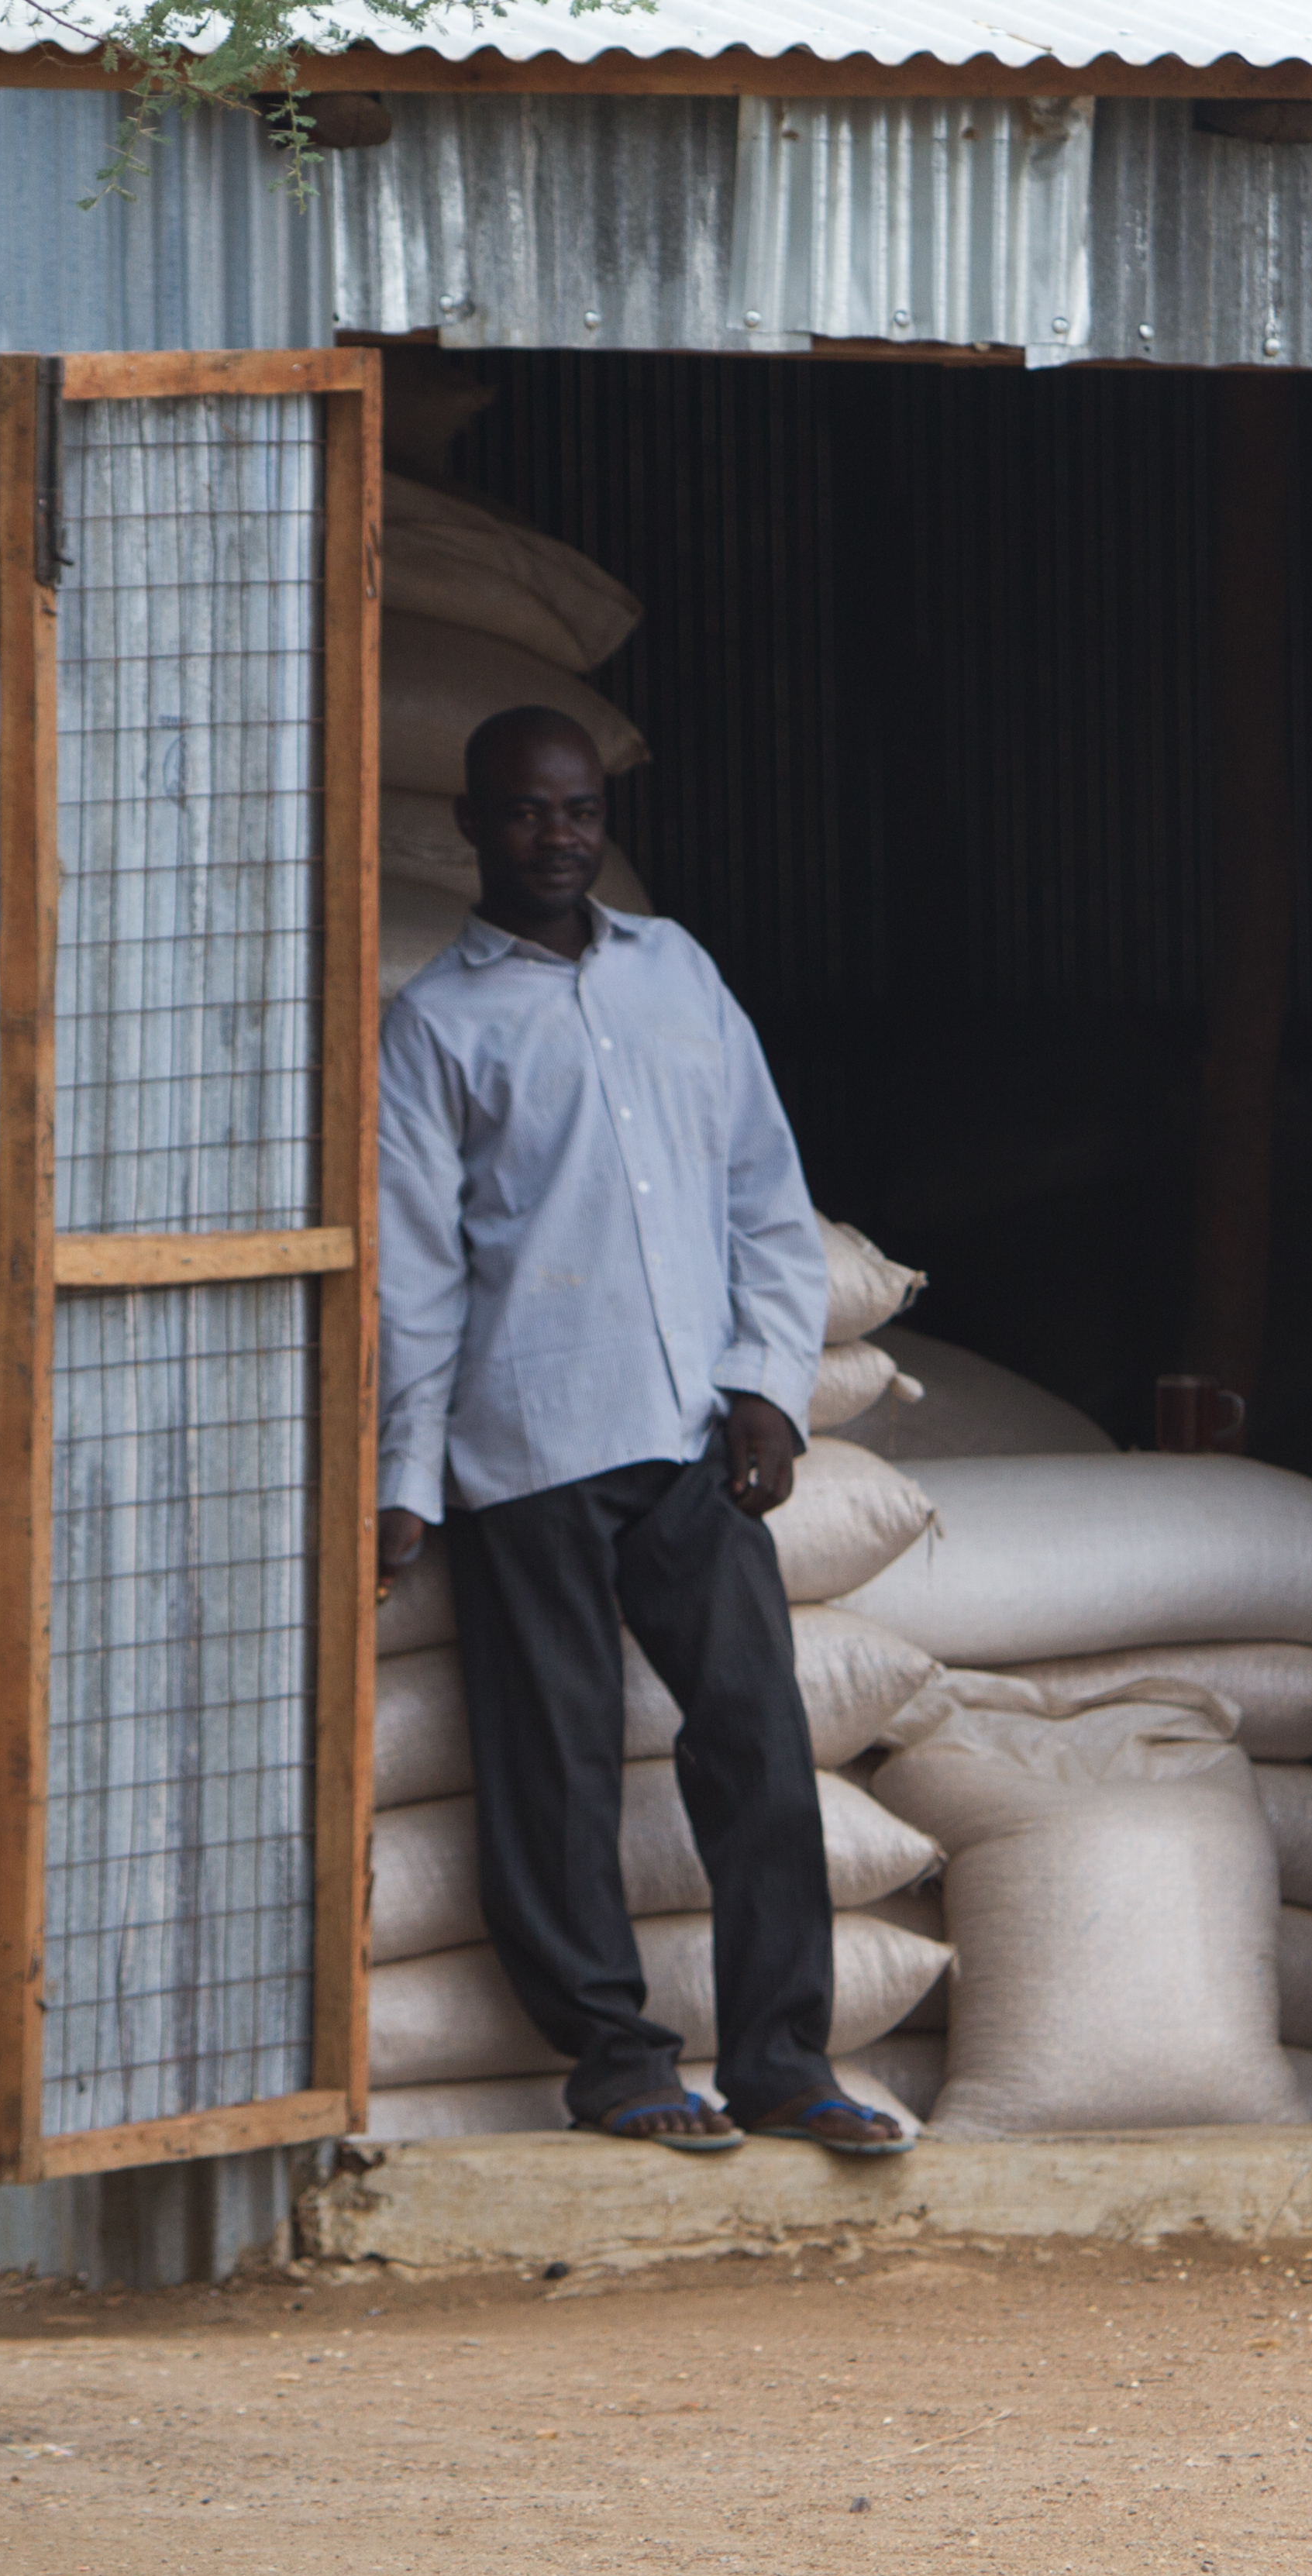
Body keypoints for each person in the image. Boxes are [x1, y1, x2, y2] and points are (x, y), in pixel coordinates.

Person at [374, 706, 905, 2156]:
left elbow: (766, 1199)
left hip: (694, 1440)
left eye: (582, 811)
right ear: (471, 828)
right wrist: (405, 1477)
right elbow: (417, 1272)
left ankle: (785, 2061)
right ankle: (618, 2065)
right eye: (530, 814)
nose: (561, 837)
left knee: (757, 1737)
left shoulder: (681, 976)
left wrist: (772, 1390)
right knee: (552, 1768)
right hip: (527, 1443)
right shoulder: (432, 1025)